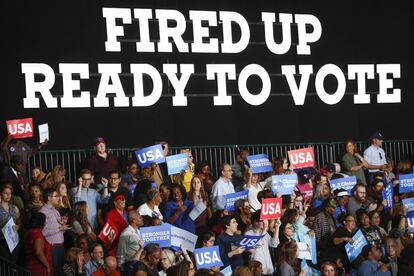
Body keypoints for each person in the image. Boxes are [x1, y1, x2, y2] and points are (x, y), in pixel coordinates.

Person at [40, 188, 71, 276]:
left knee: (63, 272)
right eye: (56, 196)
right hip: (52, 248)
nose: (59, 198)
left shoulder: (56, 211)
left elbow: (60, 232)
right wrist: (59, 229)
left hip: (61, 246)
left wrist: (63, 227)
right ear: (49, 198)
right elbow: (42, 232)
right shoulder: (42, 212)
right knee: (56, 272)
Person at [24, 212, 53, 276]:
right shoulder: (38, 235)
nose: (45, 223)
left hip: (28, 265)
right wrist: (47, 265)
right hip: (38, 268)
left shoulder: (28, 232)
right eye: (44, 221)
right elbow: (38, 252)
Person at [0, 184, 21, 264]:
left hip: (13, 240)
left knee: (14, 263)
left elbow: (19, 222)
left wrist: (18, 226)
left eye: (10, 193)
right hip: (2, 240)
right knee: (5, 264)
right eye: (6, 193)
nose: (8, 195)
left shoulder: (14, 207)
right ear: (1, 194)